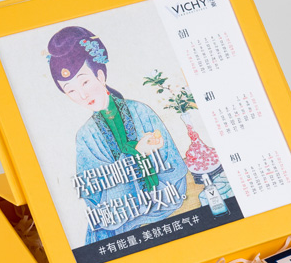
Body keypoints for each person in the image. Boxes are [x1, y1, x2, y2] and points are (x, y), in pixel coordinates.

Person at [47, 26, 187, 244]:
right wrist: (136, 153)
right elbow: (93, 195)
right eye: (71, 90)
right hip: (118, 215)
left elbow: (174, 166)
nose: (82, 95)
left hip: (162, 199)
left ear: (100, 75)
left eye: (85, 82)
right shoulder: (86, 136)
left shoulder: (141, 111)